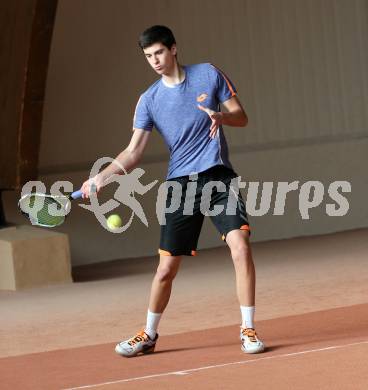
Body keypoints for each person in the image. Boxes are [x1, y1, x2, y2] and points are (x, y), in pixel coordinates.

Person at [81, 25, 265, 356]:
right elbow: (133, 152)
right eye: (148, 56)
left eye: (159, 53)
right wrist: (101, 177)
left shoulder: (208, 74)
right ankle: (149, 334)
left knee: (240, 245)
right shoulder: (149, 100)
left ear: (174, 49)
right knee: (166, 268)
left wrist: (220, 117)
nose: (154, 61)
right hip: (180, 185)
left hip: (218, 176)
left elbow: (242, 116)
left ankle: (248, 329)